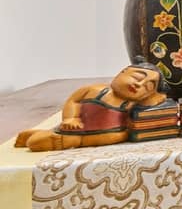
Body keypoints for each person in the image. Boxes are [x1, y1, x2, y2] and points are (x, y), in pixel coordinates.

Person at [12, 61, 171, 151]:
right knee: (36, 142)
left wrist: (157, 95)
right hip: (78, 134)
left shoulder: (133, 102)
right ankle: (44, 135)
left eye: (148, 87)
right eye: (137, 77)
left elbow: (155, 102)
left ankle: (44, 135)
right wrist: (72, 117)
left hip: (113, 136)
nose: (139, 84)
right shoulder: (96, 90)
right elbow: (73, 101)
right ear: (122, 72)